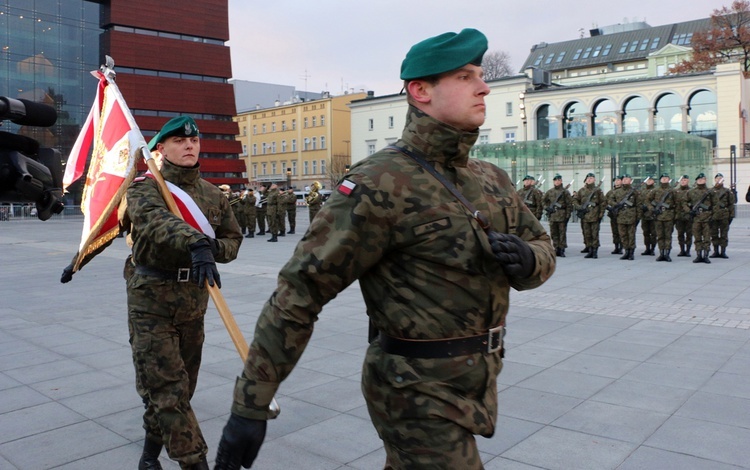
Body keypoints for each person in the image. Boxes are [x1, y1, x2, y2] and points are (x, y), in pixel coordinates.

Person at [213, 28, 556, 470]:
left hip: (479, 378)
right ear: (421, 91)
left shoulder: (491, 178)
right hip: (414, 388)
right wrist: (250, 405)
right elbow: (300, 292)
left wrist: (530, 261)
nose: (484, 86)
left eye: (481, 75)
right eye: (467, 76)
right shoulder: (378, 182)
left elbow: (540, 243)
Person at [124, 116, 242, 469]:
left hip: (194, 301)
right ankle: (195, 462)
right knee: (167, 389)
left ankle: (148, 455)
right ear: (160, 148)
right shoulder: (145, 188)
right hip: (151, 299)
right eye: (178, 141)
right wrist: (197, 243)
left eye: (193, 140)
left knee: (181, 388)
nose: (189, 145)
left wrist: (212, 249)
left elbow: (232, 239)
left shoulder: (211, 194)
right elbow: (155, 222)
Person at [609, 174, 641, 260]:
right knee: (623, 235)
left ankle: (631, 252)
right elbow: (610, 200)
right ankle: (626, 251)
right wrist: (616, 205)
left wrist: (638, 217)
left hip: (631, 215)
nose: (625, 180)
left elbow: (639, 205)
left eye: (627, 179)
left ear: (630, 181)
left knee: (631, 235)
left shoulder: (635, 192)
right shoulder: (617, 191)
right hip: (620, 215)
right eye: (624, 179)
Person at [574, 172, 605, 258]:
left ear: (594, 180)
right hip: (585, 216)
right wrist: (579, 207)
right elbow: (575, 200)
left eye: (591, 178)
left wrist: (601, 214)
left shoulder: (598, 190)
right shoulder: (581, 190)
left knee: (594, 234)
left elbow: (603, 203)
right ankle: (590, 250)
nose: (589, 179)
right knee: (587, 234)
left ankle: (595, 251)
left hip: (595, 216)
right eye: (588, 178)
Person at [686, 172, 713, 263]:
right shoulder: (691, 192)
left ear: (705, 180)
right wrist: (689, 211)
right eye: (699, 179)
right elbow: (683, 202)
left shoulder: (710, 192)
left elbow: (716, 205)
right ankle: (698, 255)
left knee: (706, 238)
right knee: (697, 238)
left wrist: (713, 216)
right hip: (696, 218)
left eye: (702, 179)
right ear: (696, 181)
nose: (700, 181)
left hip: (707, 217)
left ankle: (706, 255)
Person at [648, 173, 676, 262]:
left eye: (666, 178)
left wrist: (675, 215)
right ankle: (661, 253)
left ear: (669, 179)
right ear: (660, 180)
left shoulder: (673, 190)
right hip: (658, 216)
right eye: (663, 178)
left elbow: (678, 203)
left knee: (668, 236)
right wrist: (652, 209)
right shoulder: (655, 190)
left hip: (669, 216)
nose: (664, 179)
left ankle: (667, 253)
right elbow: (647, 200)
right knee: (660, 236)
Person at [542, 174, 572, 257]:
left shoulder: (565, 192)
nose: (557, 182)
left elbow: (569, 205)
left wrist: (567, 215)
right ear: (554, 181)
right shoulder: (550, 191)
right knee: (554, 233)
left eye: (559, 180)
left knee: (562, 233)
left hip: (562, 215)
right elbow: (543, 201)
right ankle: (556, 248)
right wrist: (547, 208)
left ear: (561, 181)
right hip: (552, 215)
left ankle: (562, 249)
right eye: (555, 180)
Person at [708, 173, 735, 259]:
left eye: (720, 178)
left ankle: (723, 251)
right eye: (717, 178)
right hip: (714, 216)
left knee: (724, 234)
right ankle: (716, 251)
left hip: (724, 215)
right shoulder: (710, 191)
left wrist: (731, 216)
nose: (719, 180)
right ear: (715, 179)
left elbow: (731, 204)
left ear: (723, 180)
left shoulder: (727, 191)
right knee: (714, 234)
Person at [672, 175, 693, 257]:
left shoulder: (691, 191)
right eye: (682, 180)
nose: (683, 181)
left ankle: (688, 250)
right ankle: (682, 250)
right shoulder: (676, 191)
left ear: (688, 181)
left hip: (688, 216)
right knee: (680, 234)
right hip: (679, 216)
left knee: (689, 234)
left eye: (685, 180)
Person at [639, 176, 657, 256]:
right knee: (646, 233)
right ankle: (647, 248)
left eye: (651, 180)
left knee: (653, 233)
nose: (649, 181)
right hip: (644, 215)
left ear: (653, 181)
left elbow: (658, 200)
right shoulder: (642, 191)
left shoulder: (656, 190)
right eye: (648, 180)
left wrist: (650, 206)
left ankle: (652, 249)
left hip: (653, 215)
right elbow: (639, 200)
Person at [605, 175, 623, 254]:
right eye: (615, 180)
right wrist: (608, 208)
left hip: (622, 215)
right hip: (613, 214)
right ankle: (616, 247)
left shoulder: (625, 191)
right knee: (615, 231)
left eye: (618, 180)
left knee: (621, 232)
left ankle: (621, 247)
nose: (616, 181)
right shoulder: (610, 192)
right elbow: (604, 201)